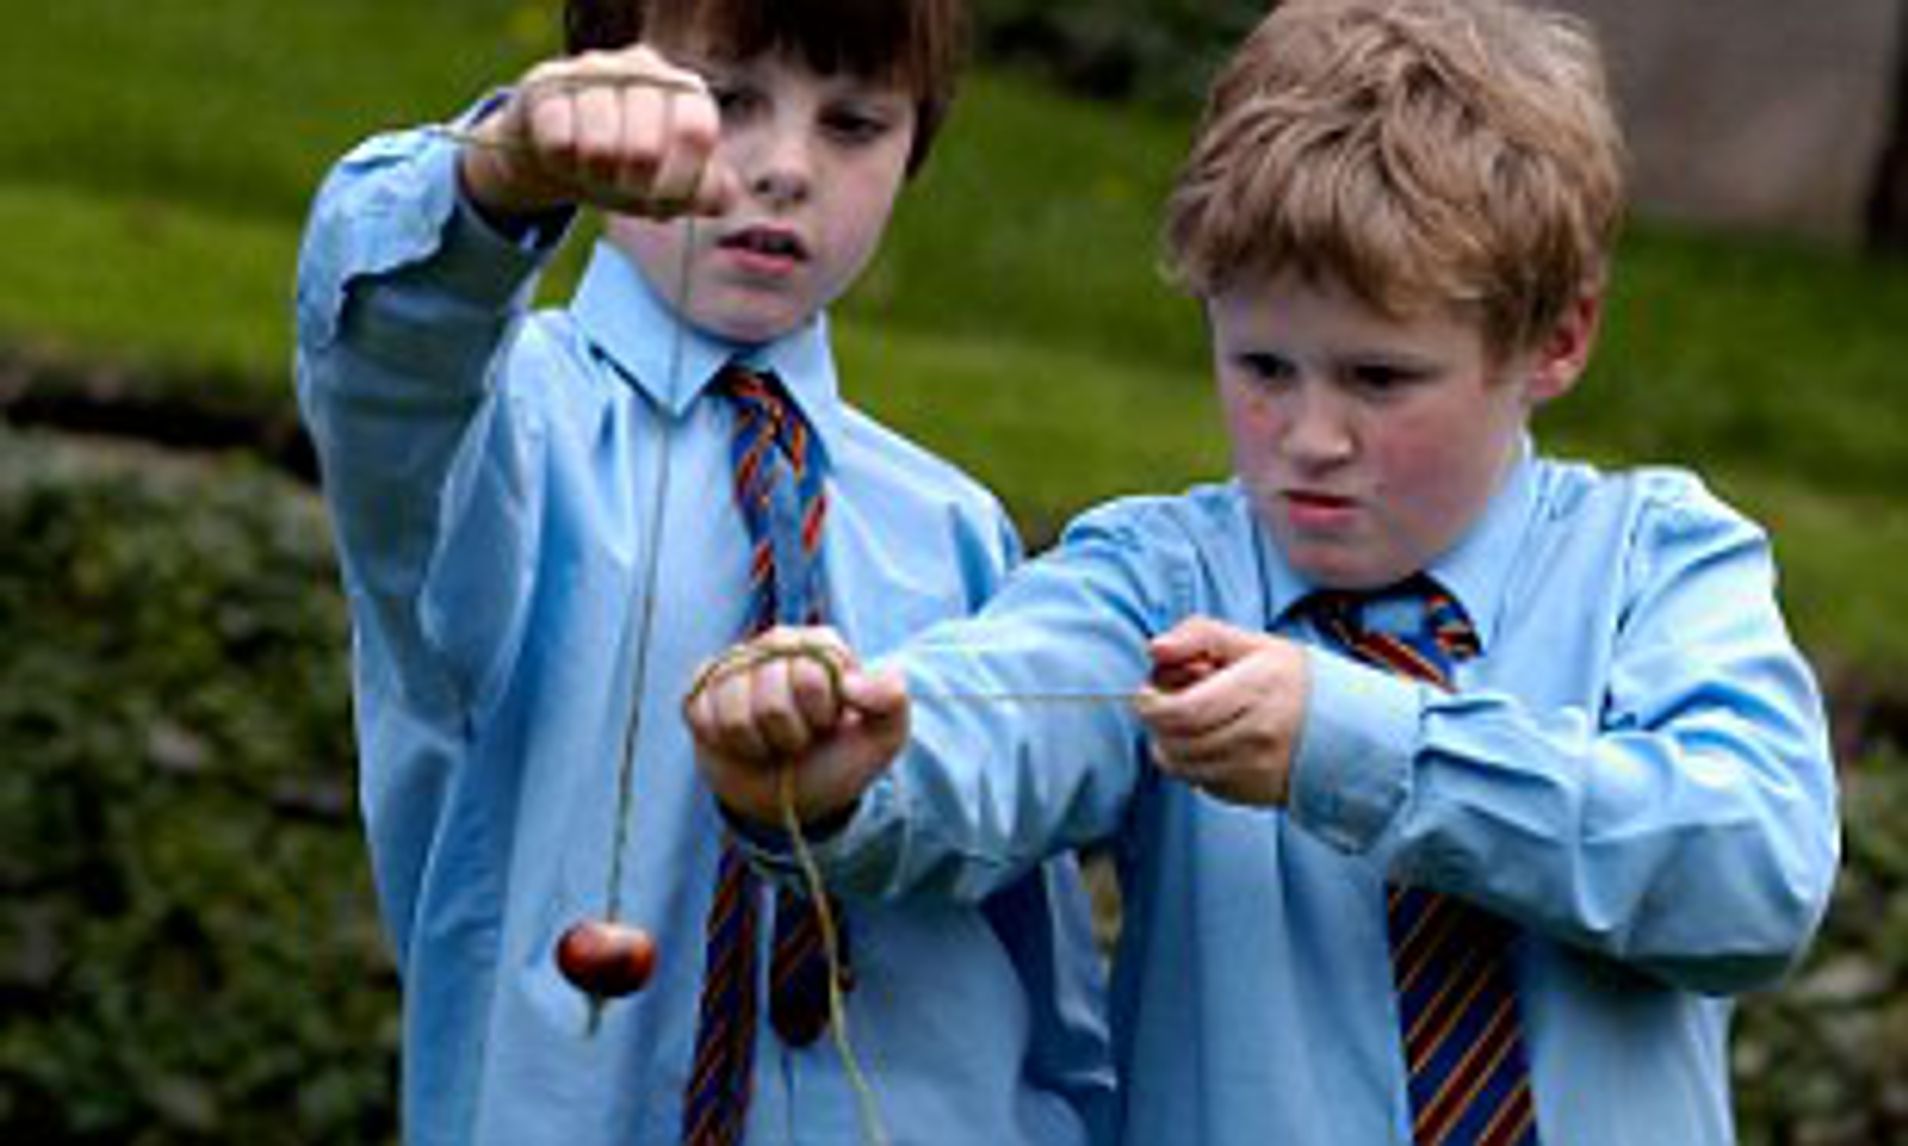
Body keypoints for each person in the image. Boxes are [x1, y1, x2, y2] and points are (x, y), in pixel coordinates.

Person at [684, 1, 1842, 1143]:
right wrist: (844, 773)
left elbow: (1751, 875)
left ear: (1558, 340)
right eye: (1263, 366)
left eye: (1380, 380)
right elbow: (993, 723)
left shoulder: (1658, 565)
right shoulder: (1156, 580)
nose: (1311, 436)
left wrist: (1360, 747)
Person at [293, 1, 1113, 1143]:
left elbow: (1048, 970)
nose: (784, 168)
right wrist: (505, 171)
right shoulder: (501, 441)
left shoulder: (952, 528)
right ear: (610, 92)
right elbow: (390, 354)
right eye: (727, 103)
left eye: (855, 124)